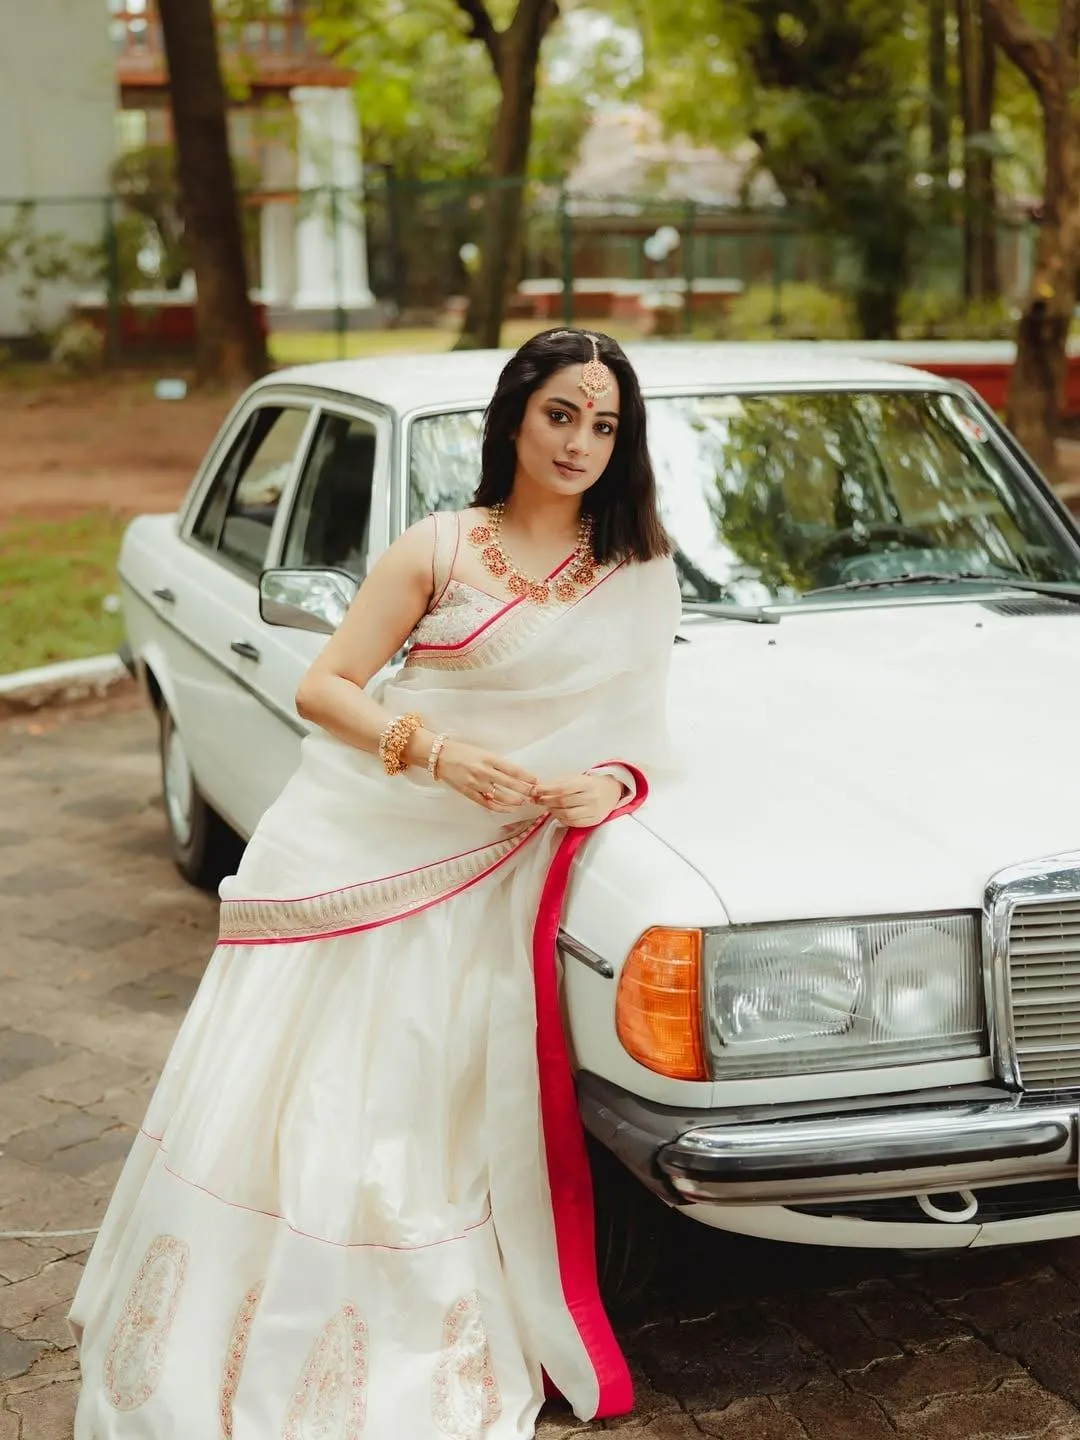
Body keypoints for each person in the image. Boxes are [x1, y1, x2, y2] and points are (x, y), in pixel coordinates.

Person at [69, 328, 680, 1439]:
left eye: (605, 423)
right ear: (513, 417)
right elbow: (328, 686)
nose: (582, 440)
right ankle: (250, 1322)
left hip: (507, 863)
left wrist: (609, 781)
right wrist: (439, 754)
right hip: (377, 837)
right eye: (561, 414)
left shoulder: (638, 566)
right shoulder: (438, 547)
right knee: (326, 1090)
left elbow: (644, 727)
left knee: (432, 1096)